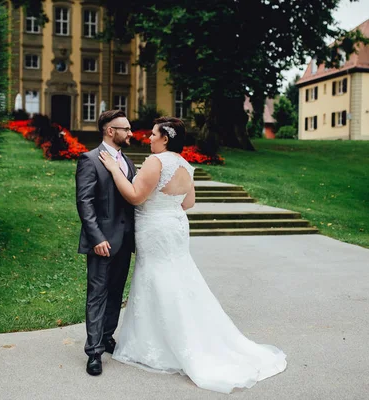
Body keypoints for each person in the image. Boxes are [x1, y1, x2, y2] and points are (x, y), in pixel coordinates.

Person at [98, 117, 287, 394]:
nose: (148, 138)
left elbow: (136, 196)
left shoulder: (156, 161)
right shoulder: (185, 165)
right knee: (179, 276)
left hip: (155, 228)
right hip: (175, 226)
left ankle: (160, 344)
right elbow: (188, 202)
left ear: (165, 138)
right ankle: (190, 334)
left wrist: (115, 169)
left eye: (153, 134)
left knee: (156, 277)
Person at [75, 110, 136, 376]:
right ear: (110, 131)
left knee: (115, 292)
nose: (130, 133)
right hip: (102, 242)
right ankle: (94, 352)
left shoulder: (129, 162)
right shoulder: (89, 160)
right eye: (126, 129)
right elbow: (84, 203)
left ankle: (107, 336)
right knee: (97, 295)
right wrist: (96, 238)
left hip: (124, 242)